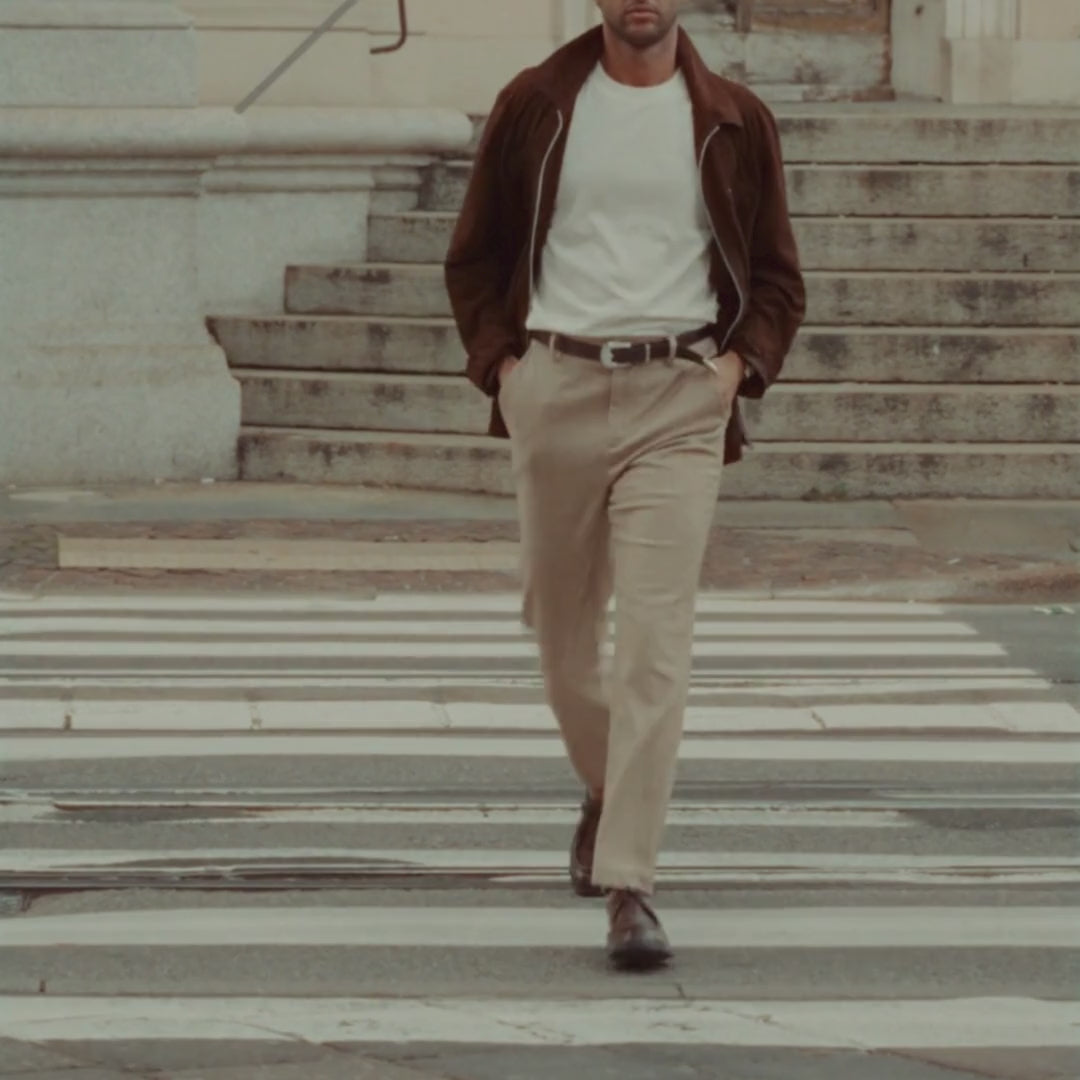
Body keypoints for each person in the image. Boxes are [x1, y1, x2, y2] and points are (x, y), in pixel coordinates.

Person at [444, 0, 805, 970]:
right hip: (555, 388)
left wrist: (733, 372)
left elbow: (778, 278)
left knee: (653, 644)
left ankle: (630, 883)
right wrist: (505, 373)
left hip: (679, 399)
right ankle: (609, 790)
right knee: (561, 640)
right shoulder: (535, 105)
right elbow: (474, 258)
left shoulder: (735, 119)